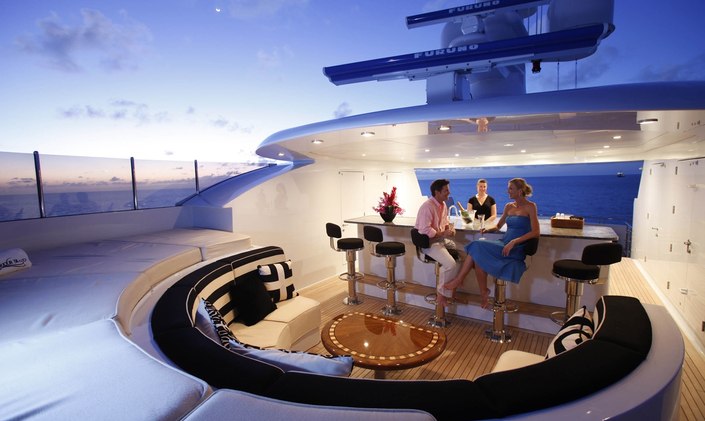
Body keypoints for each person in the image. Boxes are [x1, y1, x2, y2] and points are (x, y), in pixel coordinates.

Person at [445, 178, 539, 309]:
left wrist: (514, 241)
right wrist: (487, 229)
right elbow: (499, 226)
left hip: (516, 248)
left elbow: (535, 232)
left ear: (520, 191)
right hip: (504, 243)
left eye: (511, 188)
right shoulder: (509, 206)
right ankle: (482, 291)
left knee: (477, 246)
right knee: (478, 253)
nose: (508, 191)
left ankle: (461, 280)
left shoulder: (531, 207)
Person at [415, 179, 460, 305]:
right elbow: (425, 230)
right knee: (450, 264)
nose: (449, 193)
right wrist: (443, 233)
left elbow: (445, 222)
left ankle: (451, 290)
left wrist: (450, 229)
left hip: (440, 241)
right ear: (437, 192)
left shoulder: (443, 205)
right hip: (429, 243)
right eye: (446, 190)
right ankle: (441, 294)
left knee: (462, 257)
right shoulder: (427, 206)